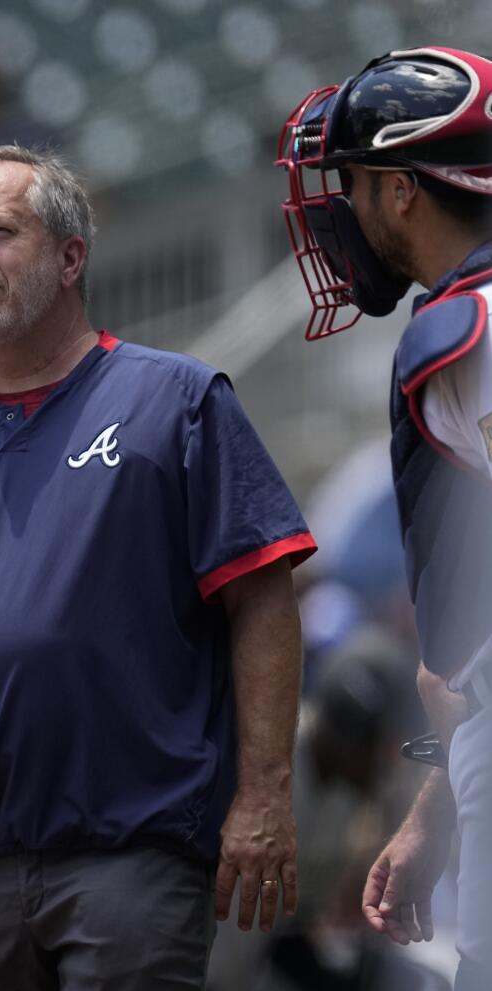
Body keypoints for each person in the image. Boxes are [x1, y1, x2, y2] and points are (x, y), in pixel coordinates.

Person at [0, 144, 315, 990]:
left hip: (132, 857)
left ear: (71, 255)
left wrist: (264, 798)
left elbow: (263, 599)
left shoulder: (177, 400)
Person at [276, 45, 492, 990]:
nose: (339, 206)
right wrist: (436, 804)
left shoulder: (467, 327)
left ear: (403, 190)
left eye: (353, 180)